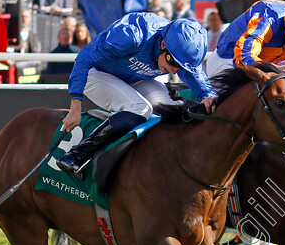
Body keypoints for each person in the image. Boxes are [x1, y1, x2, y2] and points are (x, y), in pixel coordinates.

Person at [56, 15, 217, 174]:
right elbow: (84, 59)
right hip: (96, 73)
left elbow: (196, 78)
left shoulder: (178, 46)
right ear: (162, 43)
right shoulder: (132, 34)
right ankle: (78, 154)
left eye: (180, 67)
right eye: (172, 61)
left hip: (134, 77)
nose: (174, 70)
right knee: (140, 109)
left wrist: (207, 95)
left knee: (173, 107)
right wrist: (75, 106)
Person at [205, 0, 285, 80]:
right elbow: (243, 58)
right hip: (227, 63)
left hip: (261, 66)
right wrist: (274, 69)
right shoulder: (267, 19)